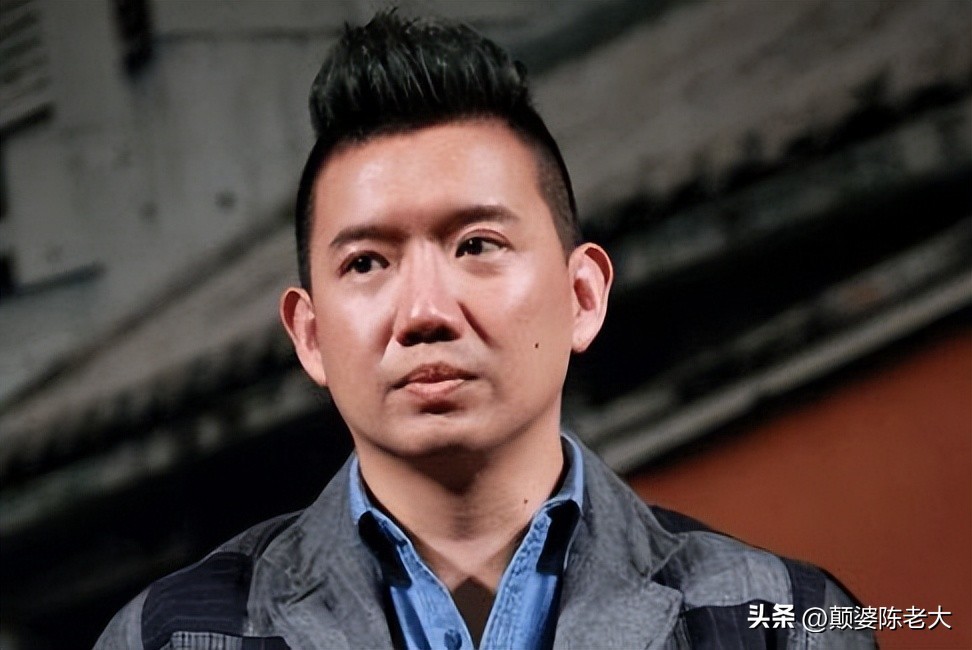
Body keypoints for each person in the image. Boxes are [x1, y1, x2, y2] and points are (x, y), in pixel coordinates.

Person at [96, 11, 875, 650]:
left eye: (477, 245)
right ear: (310, 336)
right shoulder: (175, 637)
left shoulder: (778, 622)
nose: (424, 312)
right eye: (366, 263)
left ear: (583, 296)